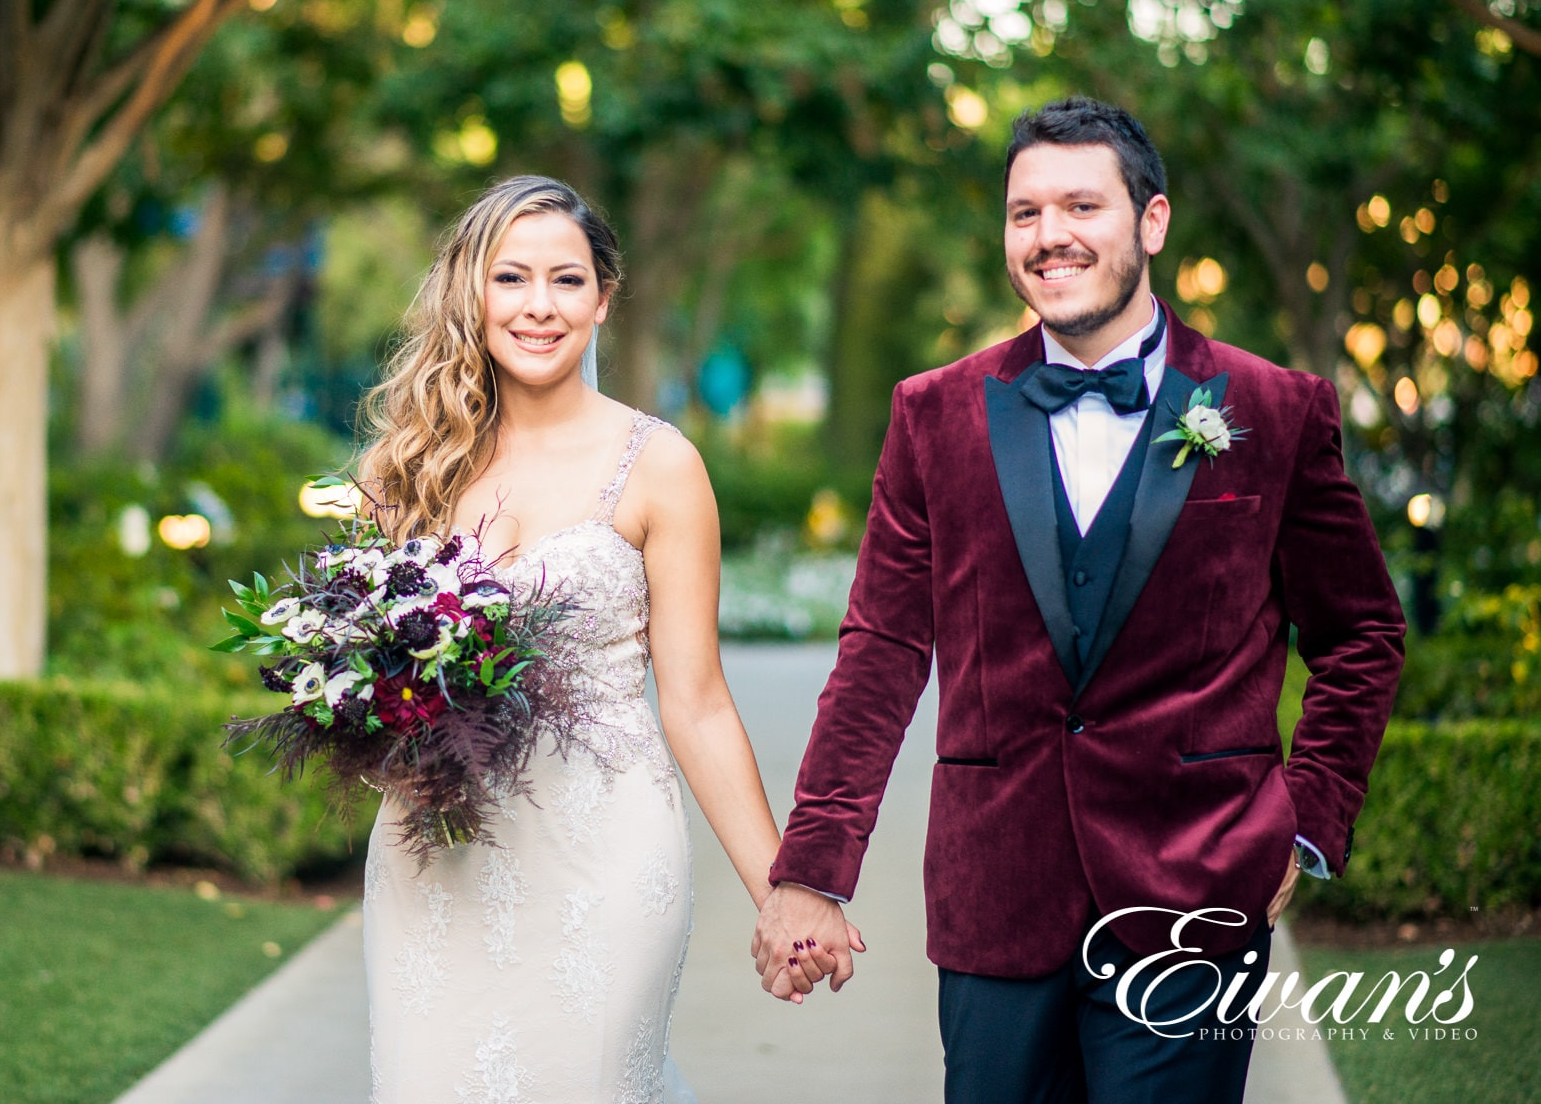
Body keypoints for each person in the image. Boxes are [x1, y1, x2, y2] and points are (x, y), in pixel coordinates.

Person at [751, 97, 1406, 1104]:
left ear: (1149, 222)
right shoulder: (930, 415)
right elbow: (880, 649)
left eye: (1079, 206)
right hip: (993, 894)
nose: (1048, 236)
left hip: (1195, 892)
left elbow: (1360, 632)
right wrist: (811, 867)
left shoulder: (1270, 410)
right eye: (1023, 213)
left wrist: (1306, 814)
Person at [359, 175, 790, 1103]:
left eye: (566, 279)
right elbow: (376, 674)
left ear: (603, 297)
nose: (539, 306)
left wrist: (781, 890)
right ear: (470, 293)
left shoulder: (660, 465)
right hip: (436, 844)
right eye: (511, 278)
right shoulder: (405, 470)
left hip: (606, 850)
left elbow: (699, 701)